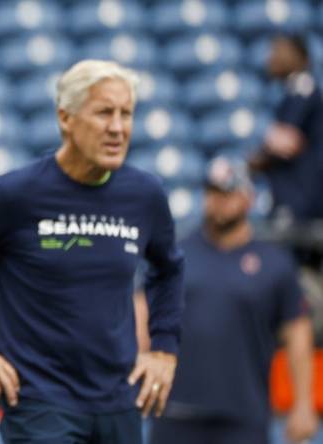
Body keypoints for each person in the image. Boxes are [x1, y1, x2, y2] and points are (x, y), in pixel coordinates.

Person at [0, 60, 185, 444]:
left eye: (126, 113)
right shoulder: (14, 195)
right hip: (39, 405)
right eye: (104, 113)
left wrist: (164, 347)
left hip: (120, 403)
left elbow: (168, 270)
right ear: (65, 118)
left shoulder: (145, 195)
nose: (118, 128)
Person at [149, 157, 318, 444]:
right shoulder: (177, 255)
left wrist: (303, 404)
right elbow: (143, 316)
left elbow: (297, 333)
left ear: (248, 197)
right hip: (175, 412)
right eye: (212, 192)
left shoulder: (274, 263)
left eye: (227, 192)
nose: (218, 201)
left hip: (244, 415)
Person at [249, 34, 323, 221]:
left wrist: (254, 162)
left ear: (300, 57)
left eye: (278, 51)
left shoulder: (302, 90)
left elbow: (285, 143)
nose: (271, 58)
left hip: (300, 197)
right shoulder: (290, 92)